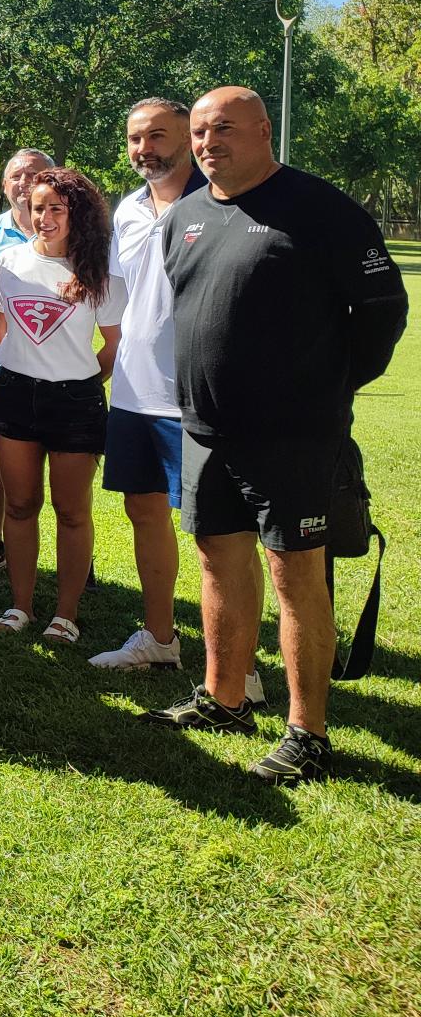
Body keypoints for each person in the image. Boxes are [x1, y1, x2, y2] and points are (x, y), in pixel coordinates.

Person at [149, 87, 407, 784]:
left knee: (297, 577)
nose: (208, 143)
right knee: (217, 562)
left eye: (224, 128)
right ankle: (224, 699)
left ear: (265, 130)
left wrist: (324, 387)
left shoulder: (323, 210)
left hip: (294, 435)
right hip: (205, 432)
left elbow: (382, 313)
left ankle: (308, 733)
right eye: (200, 132)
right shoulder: (186, 217)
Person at [89, 99, 217, 673]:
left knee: (219, 534)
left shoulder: (220, 201)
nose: (145, 149)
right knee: (144, 512)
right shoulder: (128, 210)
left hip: (200, 394)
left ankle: (234, 664)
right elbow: (120, 294)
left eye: (158, 137)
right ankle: (161, 639)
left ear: (189, 139)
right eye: (135, 139)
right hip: (136, 394)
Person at [0, 168, 125, 644]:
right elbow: (1, 327)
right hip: (13, 395)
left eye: (55, 209)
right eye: (37, 207)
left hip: (76, 401)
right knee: (20, 506)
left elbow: (113, 343)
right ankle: (19, 605)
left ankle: (66, 612)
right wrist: (31, 365)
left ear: (77, 214)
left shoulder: (97, 270)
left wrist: (80, 378)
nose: (43, 217)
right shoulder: (8, 262)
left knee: (72, 509)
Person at [0, 148, 55, 530]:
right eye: (17, 176)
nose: (25, 183)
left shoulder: (73, 236)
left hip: (58, 372)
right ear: (5, 185)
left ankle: (78, 555)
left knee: (63, 465)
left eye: (35, 174)